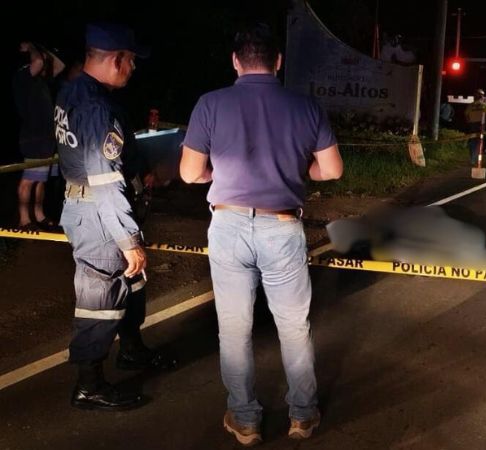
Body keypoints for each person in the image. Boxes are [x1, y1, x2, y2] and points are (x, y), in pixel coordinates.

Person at [180, 24, 342, 446]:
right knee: (293, 326)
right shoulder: (305, 106)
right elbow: (332, 170)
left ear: (236, 61)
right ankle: (303, 416)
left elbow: (190, 172)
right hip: (283, 226)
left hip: (229, 226)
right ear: (278, 61)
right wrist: (298, 170)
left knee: (234, 330)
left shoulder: (210, 104)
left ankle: (246, 419)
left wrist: (221, 174)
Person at [56, 23, 177, 412]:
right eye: (131, 61)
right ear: (115, 60)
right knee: (100, 296)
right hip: (100, 215)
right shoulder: (97, 108)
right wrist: (129, 240)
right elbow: (105, 182)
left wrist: (139, 170)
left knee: (131, 283)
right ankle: (89, 384)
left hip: (94, 207)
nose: (134, 68)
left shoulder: (75, 91)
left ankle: (132, 350)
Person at [13, 42, 65, 230]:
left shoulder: (40, 81)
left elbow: (59, 66)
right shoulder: (22, 76)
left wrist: (42, 48)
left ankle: (39, 214)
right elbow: (37, 61)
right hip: (33, 137)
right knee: (28, 180)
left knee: (41, 180)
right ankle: (24, 219)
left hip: (47, 139)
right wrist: (33, 48)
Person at [464, 89, 486, 165]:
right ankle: (474, 158)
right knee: (478, 142)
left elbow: (466, 115)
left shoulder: (471, 105)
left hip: (472, 125)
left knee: (473, 142)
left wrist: (469, 123)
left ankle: (473, 158)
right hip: (480, 125)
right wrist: (485, 124)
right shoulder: (484, 105)